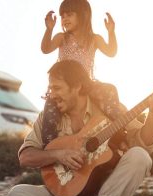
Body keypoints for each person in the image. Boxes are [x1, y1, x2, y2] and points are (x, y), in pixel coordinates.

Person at [7, 60, 153, 196]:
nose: (51, 94)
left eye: (57, 88)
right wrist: (58, 154)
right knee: (17, 194)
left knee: (139, 156)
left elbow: (145, 143)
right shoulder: (48, 117)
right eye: (50, 88)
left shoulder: (110, 110)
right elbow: (25, 157)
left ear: (77, 86)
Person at [40, 0, 120, 146]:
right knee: (50, 109)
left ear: (83, 15)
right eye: (62, 16)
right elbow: (45, 49)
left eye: (69, 15)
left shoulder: (94, 39)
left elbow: (111, 52)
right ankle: (49, 145)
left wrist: (111, 31)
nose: (65, 19)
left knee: (110, 90)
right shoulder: (61, 37)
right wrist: (49, 29)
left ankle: (119, 130)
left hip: (86, 84)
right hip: (65, 86)